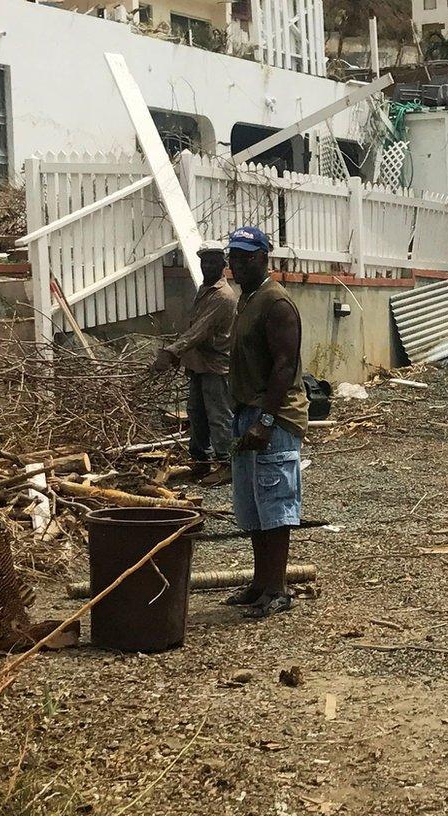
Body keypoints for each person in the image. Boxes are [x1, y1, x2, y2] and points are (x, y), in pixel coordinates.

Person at [222, 225, 308, 619]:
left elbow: (284, 365)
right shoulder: (248, 299)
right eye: (232, 257)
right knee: (253, 506)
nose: (235, 265)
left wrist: (267, 420)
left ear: (262, 258)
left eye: (243, 257)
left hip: (272, 416)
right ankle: (260, 582)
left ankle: (278, 587)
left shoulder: (276, 304)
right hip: (248, 413)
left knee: (276, 504)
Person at [151, 245, 238, 485]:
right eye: (204, 263)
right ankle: (201, 462)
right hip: (199, 364)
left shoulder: (223, 296)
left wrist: (172, 351)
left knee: (219, 416)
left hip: (215, 366)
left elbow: (200, 331)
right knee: (196, 414)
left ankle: (227, 464)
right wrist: (180, 354)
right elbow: (195, 328)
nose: (206, 267)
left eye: (212, 263)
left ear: (223, 267)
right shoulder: (205, 289)